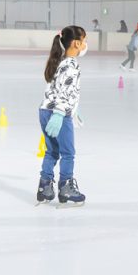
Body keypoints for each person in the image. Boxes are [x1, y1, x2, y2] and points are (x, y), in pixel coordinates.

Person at [38, 25, 88, 206]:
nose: (85, 45)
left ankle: (45, 187)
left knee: (52, 151)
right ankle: (66, 188)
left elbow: (58, 89)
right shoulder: (72, 65)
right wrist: (61, 114)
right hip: (57, 113)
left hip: (45, 110)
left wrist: (73, 109)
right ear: (76, 43)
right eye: (84, 41)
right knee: (68, 153)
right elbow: (64, 92)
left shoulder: (60, 61)